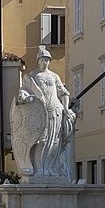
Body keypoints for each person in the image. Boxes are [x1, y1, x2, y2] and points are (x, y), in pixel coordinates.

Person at [11, 46, 76, 177]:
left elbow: (64, 93)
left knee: (55, 142)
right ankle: (39, 169)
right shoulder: (32, 76)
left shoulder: (54, 76)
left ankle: (51, 169)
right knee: (41, 141)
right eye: (42, 60)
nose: (45, 62)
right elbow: (23, 90)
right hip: (40, 113)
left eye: (47, 60)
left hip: (55, 111)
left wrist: (66, 108)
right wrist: (24, 96)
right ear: (38, 61)